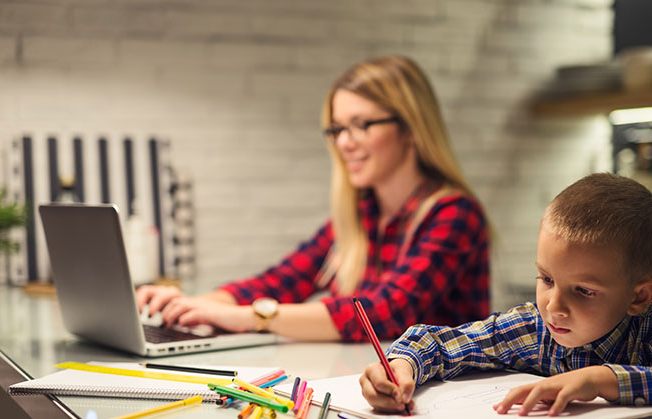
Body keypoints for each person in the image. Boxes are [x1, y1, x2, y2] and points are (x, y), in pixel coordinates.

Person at [136, 56, 490, 342]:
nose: (344, 143)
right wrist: (198, 304)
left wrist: (250, 317)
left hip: (445, 399)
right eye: (337, 129)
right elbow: (281, 281)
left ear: (410, 129)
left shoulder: (455, 214)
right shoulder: (361, 215)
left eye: (361, 125)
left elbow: (382, 313)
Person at [360, 173, 652, 417]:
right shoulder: (533, 328)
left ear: (639, 297)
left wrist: (598, 380)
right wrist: (402, 368)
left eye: (584, 291)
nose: (554, 307)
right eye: (546, 279)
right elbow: (440, 343)